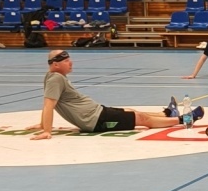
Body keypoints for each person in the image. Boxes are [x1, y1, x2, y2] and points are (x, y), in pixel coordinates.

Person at [31, 48, 196, 140]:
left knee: (131, 111)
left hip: (97, 113)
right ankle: (184, 119)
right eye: (66, 61)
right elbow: (49, 105)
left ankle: (167, 113)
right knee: (141, 118)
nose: (71, 63)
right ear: (55, 64)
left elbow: (48, 102)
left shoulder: (53, 77)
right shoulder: (55, 79)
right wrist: (47, 130)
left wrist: (42, 123)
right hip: (94, 120)